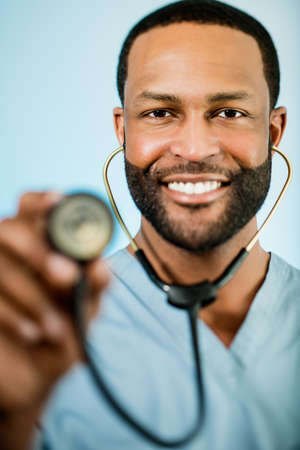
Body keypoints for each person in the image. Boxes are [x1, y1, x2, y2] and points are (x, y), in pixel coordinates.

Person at [0, 0, 299, 449]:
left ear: (273, 132)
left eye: (229, 113)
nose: (195, 150)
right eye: (160, 112)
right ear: (123, 130)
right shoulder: (42, 326)